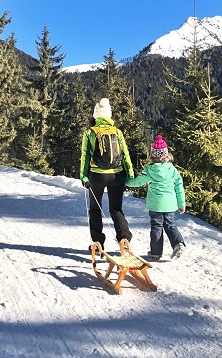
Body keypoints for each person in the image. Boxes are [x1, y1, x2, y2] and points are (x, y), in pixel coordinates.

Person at [80, 98, 135, 248]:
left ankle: (98, 243)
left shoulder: (90, 132)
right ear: (109, 115)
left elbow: (85, 156)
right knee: (116, 208)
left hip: (97, 175)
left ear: (96, 116)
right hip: (117, 175)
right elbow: (125, 154)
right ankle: (124, 238)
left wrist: (84, 176)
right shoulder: (117, 131)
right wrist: (129, 174)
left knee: (95, 208)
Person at [125, 135, 187, 261]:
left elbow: (137, 182)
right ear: (166, 155)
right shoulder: (173, 170)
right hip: (170, 204)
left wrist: (125, 181)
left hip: (156, 205)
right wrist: (181, 204)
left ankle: (156, 252)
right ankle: (178, 243)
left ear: (153, 155)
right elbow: (179, 187)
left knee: (157, 227)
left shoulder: (150, 170)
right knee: (170, 225)